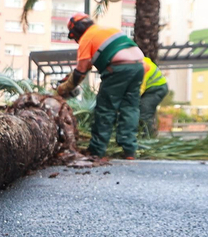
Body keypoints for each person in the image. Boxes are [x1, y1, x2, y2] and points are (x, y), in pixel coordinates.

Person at [54, 13, 145, 159]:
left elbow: (81, 72)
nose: (76, 40)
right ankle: (129, 151)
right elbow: (88, 65)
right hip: (138, 67)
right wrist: (71, 76)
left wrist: (63, 89)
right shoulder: (108, 30)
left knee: (105, 109)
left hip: (117, 69)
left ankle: (97, 150)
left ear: (76, 31)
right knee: (130, 108)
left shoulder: (87, 38)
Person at [137, 56, 170, 138]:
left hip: (157, 89)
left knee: (144, 115)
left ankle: (148, 139)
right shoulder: (138, 61)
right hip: (152, 88)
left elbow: (140, 89)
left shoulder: (142, 67)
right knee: (142, 113)